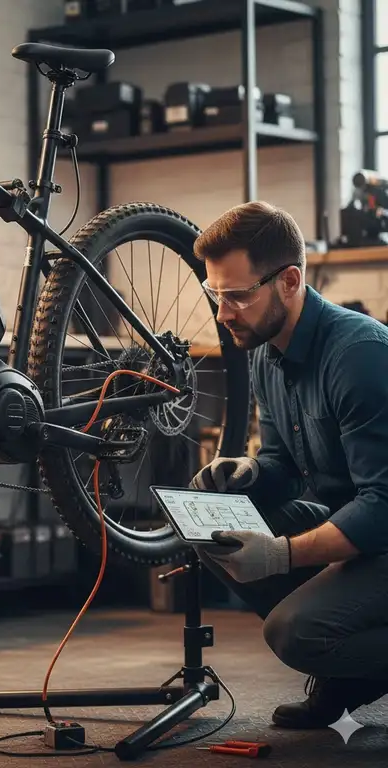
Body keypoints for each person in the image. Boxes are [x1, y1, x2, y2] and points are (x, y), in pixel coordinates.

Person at [188, 201, 388, 729]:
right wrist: (247, 473)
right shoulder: (264, 351)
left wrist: (279, 555)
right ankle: (347, 675)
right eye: (216, 294)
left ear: (289, 280)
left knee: (293, 632)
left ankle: (352, 671)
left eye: (237, 295)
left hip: (383, 530)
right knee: (214, 523)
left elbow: (383, 506)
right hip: (356, 530)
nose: (223, 313)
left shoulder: (360, 355)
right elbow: (282, 461)